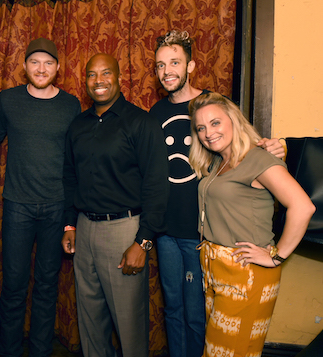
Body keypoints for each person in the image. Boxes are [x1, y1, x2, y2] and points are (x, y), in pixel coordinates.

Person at [150, 30, 285, 357]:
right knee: (173, 309)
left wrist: (279, 144)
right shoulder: (155, 113)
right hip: (166, 231)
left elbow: (247, 144)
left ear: (190, 65)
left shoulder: (211, 105)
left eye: (175, 63)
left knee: (198, 315)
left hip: (202, 234)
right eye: (160, 65)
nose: (167, 71)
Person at [188, 92, 315, 357]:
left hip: (245, 271)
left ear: (233, 121)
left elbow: (303, 207)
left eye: (215, 123)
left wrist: (276, 256)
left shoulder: (257, 158)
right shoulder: (218, 162)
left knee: (227, 353)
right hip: (215, 270)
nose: (208, 133)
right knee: (221, 350)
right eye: (201, 127)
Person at [62, 53, 169, 357]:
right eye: (91, 75)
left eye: (105, 73)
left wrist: (143, 240)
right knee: (90, 322)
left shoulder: (141, 122)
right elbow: (70, 177)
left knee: (129, 324)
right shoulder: (78, 125)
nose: (99, 81)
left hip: (125, 231)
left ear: (120, 77)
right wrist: (70, 224)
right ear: (85, 82)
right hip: (84, 229)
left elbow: (156, 185)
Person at [0, 38, 82, 357]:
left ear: (57, 68)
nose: (41, 68)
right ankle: (9, 351)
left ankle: (41, 351)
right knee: (14, 287)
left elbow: (75, 162)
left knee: (47, 287)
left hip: (56, 209)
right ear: (25, 67)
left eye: (48, 63)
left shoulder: (71, 105)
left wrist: (71, 221)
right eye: (34, 62)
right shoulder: (7, 100)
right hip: (17, 206)